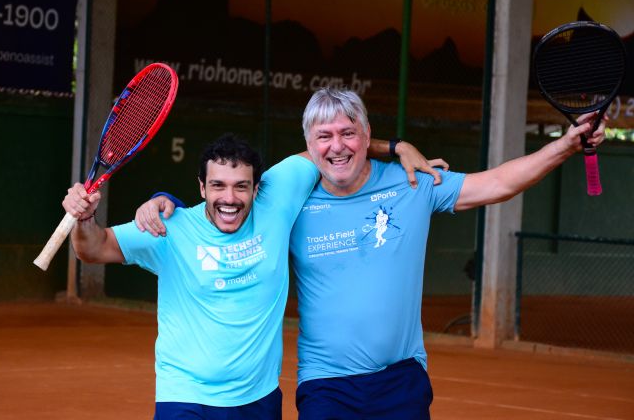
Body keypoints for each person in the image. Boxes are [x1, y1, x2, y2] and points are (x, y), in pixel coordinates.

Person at [137, 88, 606, 419]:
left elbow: (498, 183)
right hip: (325, 386)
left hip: (401, 379)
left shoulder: (412, 184)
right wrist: (167, 202)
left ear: (366, 135)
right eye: (324, 136)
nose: (337, 146)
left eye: (348, 133)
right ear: (308, 147)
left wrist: (565, 145)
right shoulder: (289, 199)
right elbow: (224, 204)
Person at [64, 132, 441, 420]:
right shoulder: (169, 227)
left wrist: (394, 146)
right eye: (218, 186)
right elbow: (93, 249)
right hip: (186, 396)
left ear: (257, 187)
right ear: (201, 187)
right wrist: (84, 220)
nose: (229, 198)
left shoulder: (276, 200)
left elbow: (332, 150)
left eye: (241, 186)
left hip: (257, 400)